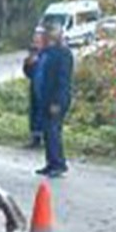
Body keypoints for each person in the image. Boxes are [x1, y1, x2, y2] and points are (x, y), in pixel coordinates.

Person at [32, 25, 73, 177]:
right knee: (48, 132)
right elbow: (36, 73)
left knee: (53, 131)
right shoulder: (45, 52)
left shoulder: (63, 53)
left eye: (53, 33)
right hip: (44, 98)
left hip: (56, 99)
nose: (50, 36)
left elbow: (63, 80)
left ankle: (59, 164)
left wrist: (57, 101)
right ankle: (50, 163)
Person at [23, 29, 48, 147]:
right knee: (34, 112)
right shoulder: (33, 53)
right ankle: (35, 138)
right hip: (35, 86)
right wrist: (28, 64)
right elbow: (28, 73)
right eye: (35, 40)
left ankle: (44, 138)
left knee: (43, 114)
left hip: (45, 88)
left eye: (38, 40)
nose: (36, 42)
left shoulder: (47, 54)